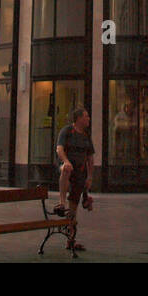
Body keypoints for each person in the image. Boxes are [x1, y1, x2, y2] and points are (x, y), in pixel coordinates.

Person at [54, 106, 94, 250]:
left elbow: (90, 157)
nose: (88, 119)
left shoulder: (86, 135)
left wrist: (89, 177)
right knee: (66, 169)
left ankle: (71, 239)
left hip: (80, 173)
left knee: (74, 206)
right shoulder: (67, 131)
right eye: (86, 116)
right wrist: (66, 161)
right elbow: (59, 149)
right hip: (66, 165)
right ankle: (61, 201)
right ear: (78, 119)